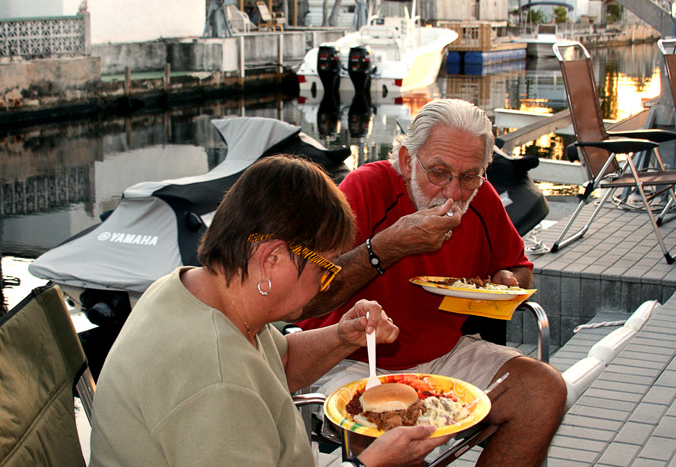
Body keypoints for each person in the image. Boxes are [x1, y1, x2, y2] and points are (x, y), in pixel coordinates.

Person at [89, 155, 452, 466]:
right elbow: (231, 382)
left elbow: (279, 365)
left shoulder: (198, 290)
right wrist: (370, 462)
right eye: (324, 268)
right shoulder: (215, 380)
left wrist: (343, 336)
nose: (327, 283)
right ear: (272, 258)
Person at [297, 99, 568, 466]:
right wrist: (385, 248)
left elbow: (520, 270)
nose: (454, 192)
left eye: (470, 175)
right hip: (350, 360)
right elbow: (308, 299)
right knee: (398, 446)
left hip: (445, 354)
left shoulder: (482, 198)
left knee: (543, 390)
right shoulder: (365, 188)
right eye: (439, 172)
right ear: (408, 160)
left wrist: (505, 281)